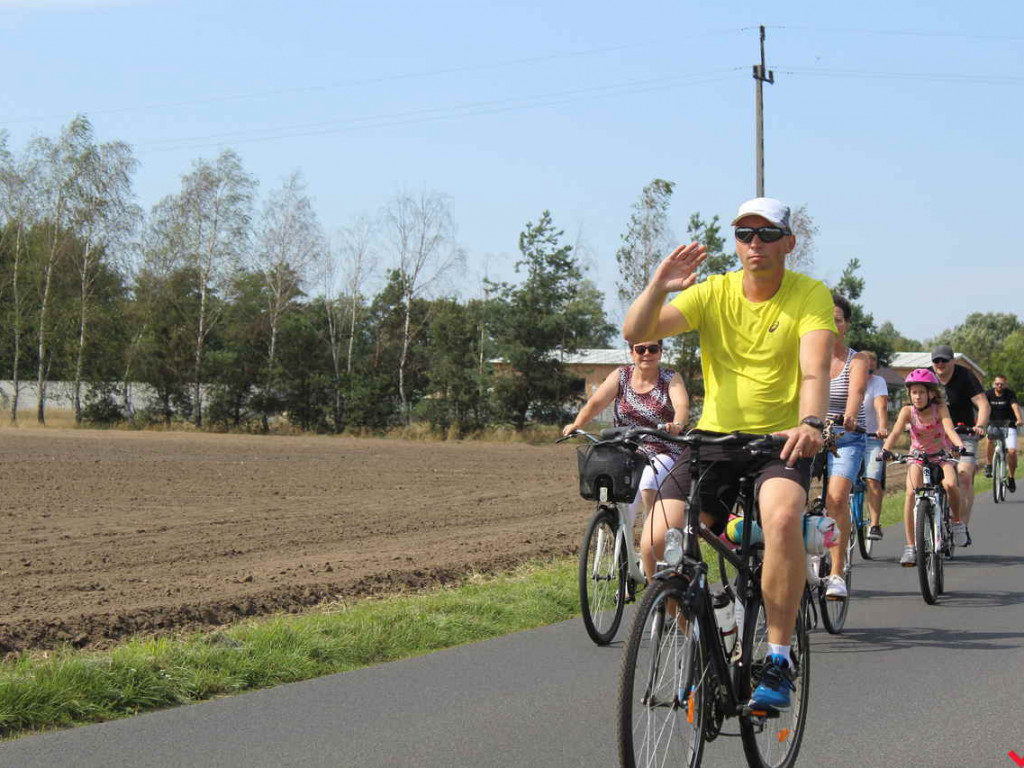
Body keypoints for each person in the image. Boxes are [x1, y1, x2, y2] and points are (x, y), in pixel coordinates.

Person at [622, 197, 834, 712]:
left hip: (780, 441)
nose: (754, 244)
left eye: (766, 234)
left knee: (782, 517)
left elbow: (813, 371)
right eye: (744, 234)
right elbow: (636, 332)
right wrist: (658, 285)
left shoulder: (809, 295)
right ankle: (712, 626)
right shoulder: (713, 292)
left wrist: (809, 422)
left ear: (789, 241)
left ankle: (778, 658)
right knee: (654, 542)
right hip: (715, 440)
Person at [562, 341, 690, 560]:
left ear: (661, 352)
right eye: (640, 349)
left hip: (663, 446)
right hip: (626, 450)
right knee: (621, 502)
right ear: (632, 353)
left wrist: (677, 425)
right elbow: (595, 403)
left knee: (650, 482)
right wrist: (578, 423)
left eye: (653, 349)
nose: (646, 353)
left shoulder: (670, 378)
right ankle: (626, 559)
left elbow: (682, 407)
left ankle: (652, 543)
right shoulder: (621, 376)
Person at [880, 369, 967, 565]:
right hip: (917, 456)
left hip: (941, 454)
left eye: (921, 392)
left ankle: (957, 524)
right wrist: (885, 450)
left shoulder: (940, 408)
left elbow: (949, 429)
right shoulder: (907, 411)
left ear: (931, 393)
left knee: (951, 485)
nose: (917, 396)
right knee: (911, 494)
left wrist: (959, 446)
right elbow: (894, 433)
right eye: (913, 392)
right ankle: (910, 547)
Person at [821, 294, 868, 599]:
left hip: (846, 438)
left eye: (837, 318)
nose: (831, 322)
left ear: (845, 325)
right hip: (810, 437)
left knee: (836, 498)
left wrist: (850, 416)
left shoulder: (857, 359)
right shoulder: (808, 356)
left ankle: (837, 572)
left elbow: (857, 392)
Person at [928, 344, 989, 545]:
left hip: (964, 434)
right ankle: (925, 520)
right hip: (936, 435)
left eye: (944, 361)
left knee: (963, 475)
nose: (940, 365)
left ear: (952, 361)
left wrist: (979, 425)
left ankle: (960, 525)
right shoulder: (927, 377)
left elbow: (982, 404)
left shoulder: (965, 376)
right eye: (936, 361)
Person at [860, 351, 889, 539]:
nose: (868, 369)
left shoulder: (878, 382)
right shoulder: (847, 380)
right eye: (865, 365)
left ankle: (875, 524)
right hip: (849, 437)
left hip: (872, 438)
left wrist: (882, 427)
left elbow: (881, 406)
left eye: (872, 365)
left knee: (872, 479)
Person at [983, 375, 1022, 492]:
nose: (999, 386)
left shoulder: (1010, 394)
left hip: (1009, 425)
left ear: (1006, 384)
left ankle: (1011, 477)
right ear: (994, 384)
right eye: (997, 384)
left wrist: (1019, 418)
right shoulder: (988, 394)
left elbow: (1015, 406)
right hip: (994, 425)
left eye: (1002, 384)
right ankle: (989, 465)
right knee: (989, 440)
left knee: (1012, 451)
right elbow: (984, 407)